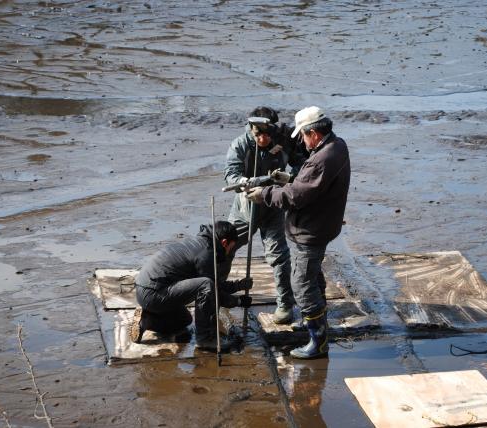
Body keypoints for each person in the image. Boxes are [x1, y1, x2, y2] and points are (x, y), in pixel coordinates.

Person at [247, 106, 350, 359]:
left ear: (313, 133)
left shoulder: (321, 160)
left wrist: (265, 194)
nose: (303, 142)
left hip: (312, 229)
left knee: (302, 284)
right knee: (312, 275)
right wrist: (289, 178)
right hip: (324, 223)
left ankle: (318, 342)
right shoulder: (337, 145)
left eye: (303, 136)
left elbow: (295, 196)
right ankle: (318, 321)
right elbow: (307, 181)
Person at [224, 106, 308, 325]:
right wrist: (241, 183)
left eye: (266, 134)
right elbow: (231, 173)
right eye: (257, 134)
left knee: (279, 256)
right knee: (224, 247)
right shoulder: (240, 144)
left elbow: (303, 163)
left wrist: (289, 177)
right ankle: (219, 293)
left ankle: (285, 305)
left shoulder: (285, 139)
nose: (262, 139)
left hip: (273, 205)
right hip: (245, 208)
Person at [130, 221, 253, 352]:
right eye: (231, 248)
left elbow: (215, 285)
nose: (229, 252)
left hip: (146, 290)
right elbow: (213, 290)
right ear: (224, 243)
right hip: (154, 292)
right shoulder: (206, 253)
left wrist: (238, 285)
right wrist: (238, 301)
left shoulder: (200, 243)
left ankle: (147, 320)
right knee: (205, 285)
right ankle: (205, 339)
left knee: (185, 320)